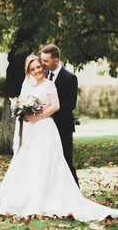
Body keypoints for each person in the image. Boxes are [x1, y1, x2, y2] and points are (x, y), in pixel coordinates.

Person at [0, 54, 118, 221]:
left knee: (47, 163)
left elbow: (56, 106)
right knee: (30, 162)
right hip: (31, 130)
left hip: (45, 128)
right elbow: (23, 103)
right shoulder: (29, 85)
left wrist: (38, 116)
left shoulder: (49, 84)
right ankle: (26, 199)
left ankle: (48, 200)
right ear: (28, 71)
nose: (37, 71)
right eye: (33, 68)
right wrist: (25, 111)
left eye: (38, 67)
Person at [38, 44, 79, 186]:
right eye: (41, 59)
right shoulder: (43, 76)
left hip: (63, 127)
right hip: (45, 127)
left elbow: (71, 104)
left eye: (45, 61)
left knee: (66, 161)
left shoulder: (70, 78)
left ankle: (75, 193)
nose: (42, 63)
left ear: (56, 60)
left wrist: (51, 109)